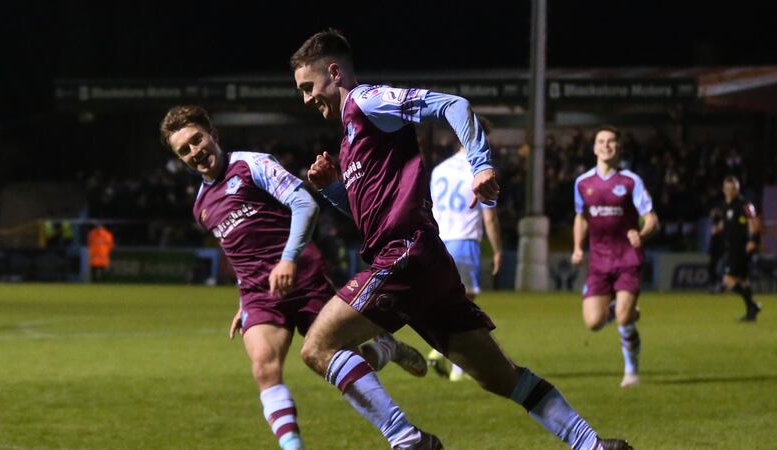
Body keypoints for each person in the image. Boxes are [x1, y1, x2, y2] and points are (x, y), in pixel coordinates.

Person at [292, 29, 632, 450]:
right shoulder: (348, 142)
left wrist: (481, 164)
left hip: (405, 257)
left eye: (308, 87)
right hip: (426, 266)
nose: (306, 99)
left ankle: (408, 440)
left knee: (318, 347)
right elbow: (368, 217)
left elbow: (453, 105)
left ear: (334, 71)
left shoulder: (368, 101)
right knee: (501, 377)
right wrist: (332, 190)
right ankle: (592, 445)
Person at [159, 105, 428, 450]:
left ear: (212, 133)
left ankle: (386, 353)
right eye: (185, 150)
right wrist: (244, 301)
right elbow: (239, 255)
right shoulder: (201, 205)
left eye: (197, 140)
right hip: (259, 294)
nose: (196, 152)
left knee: (335, 359)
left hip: (303, 278)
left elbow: (304, 203)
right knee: (264, 369)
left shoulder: (252, 165)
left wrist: (288, 260)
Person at [571, 126, 659, 389]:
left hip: (627, 259)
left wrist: (641, 235)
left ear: (618, 147)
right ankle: (623, 309)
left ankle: (631, 371)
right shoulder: (583, 183)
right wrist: (577, 247)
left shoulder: (631, 181)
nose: (606, 145)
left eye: (611, 141)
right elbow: (581, 217)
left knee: (622, 319)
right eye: (601, 141)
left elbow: (652, 219)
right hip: (598, 261)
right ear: (594, 148)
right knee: (594, 323)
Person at [426, 116, 503, 382]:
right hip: (464, 240)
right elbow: (489, 217)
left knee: (451, 303)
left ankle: (451, 358)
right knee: (465, 305)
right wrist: (498, 250)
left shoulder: (439, 170)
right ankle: (450, 360)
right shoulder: (480, 170)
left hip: (439, 241)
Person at [718, 175, 762, 321]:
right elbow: (728, 223)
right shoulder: (726, 205)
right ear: (724, 190)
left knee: (727, 280)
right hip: (732, 247)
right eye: (728, 189)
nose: (730, 191)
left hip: (741, 248)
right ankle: (751, 312)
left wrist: (752, 240)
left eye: (733, 189)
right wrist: (718, 228)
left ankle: (752, 305)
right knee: (743, 280)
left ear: (737, 189)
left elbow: (754, 222)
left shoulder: (744, 204)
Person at [708, 207, 726, 293]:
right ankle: (714, 285)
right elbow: (713, 232)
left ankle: (720, 286)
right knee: (712, 268)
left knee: (720, 269)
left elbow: (716, 230)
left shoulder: (723, 222)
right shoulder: (714, 223)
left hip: (721, 250)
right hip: (714, 250)